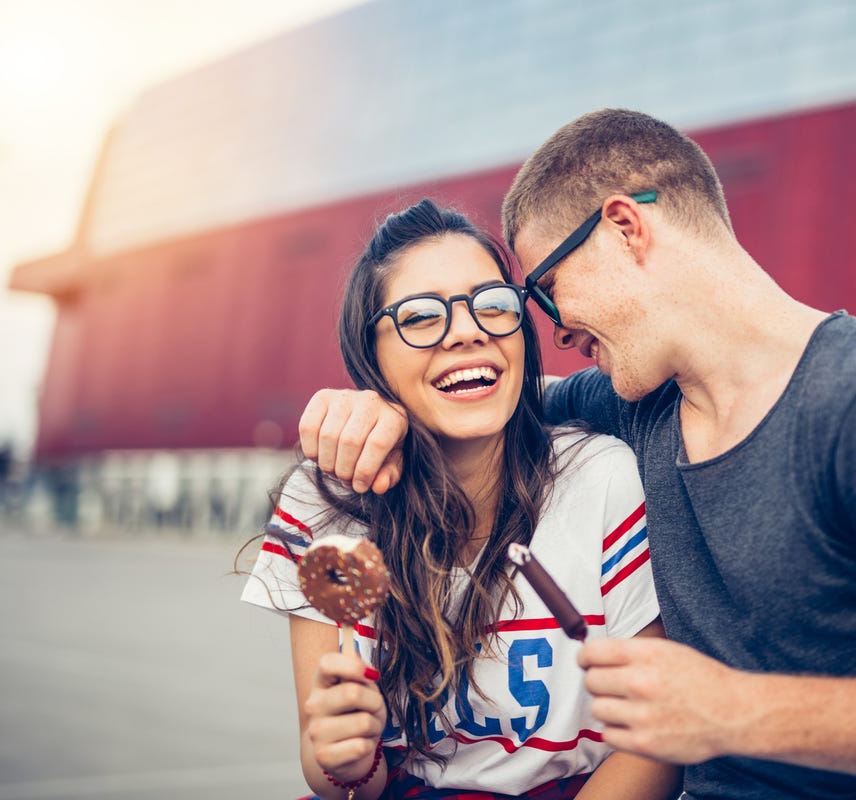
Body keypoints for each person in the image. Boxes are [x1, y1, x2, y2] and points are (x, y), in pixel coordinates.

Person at [295, 110, 856, 800]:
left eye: (543, 287)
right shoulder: (633, 402)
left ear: (624, 226)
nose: (554, 329)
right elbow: (481, 404)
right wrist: (366, 409)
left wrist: (735, 711)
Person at [241, 199, 681, 800]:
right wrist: (348, 758)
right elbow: (333, 777)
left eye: (494, 304)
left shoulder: (600, 478)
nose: (468, 329)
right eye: (421, 317)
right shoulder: (328, 505)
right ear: (370, 357)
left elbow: (651, 744)